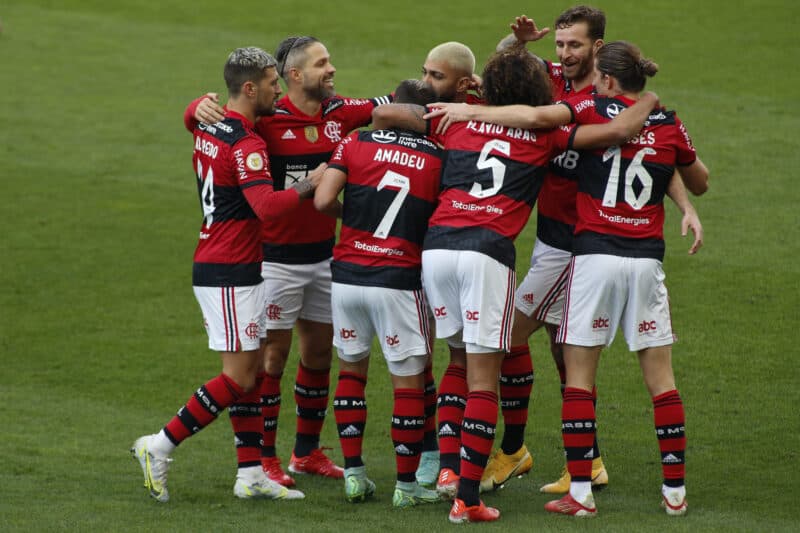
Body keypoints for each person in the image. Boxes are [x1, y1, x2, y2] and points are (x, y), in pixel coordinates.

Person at [373, 46, 658, 524]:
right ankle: (468, 498)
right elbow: (621, 130)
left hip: (437, 250)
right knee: (486, 378)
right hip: (486, 254)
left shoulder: (456, 121)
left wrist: (455, 107)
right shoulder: (547, 135)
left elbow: (383, 112)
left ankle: (447, 471)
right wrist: (649, 98)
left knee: (458, 360)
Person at [478, 7, 703, 494]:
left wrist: (685, 203)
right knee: (565, 351)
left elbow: (658, 159)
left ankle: (515, 449)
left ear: (598, 49)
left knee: (506, 336)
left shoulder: (599, 99)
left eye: (574, 46)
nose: (563, 55)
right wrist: (513, 46)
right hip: (551, 238)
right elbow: (501, 85)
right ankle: (589, 463)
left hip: (576, 244)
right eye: (558, 46)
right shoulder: (557, 77)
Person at [185, 36, 394, 487]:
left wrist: (453, 90)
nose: (332, 70)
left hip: (324, 256)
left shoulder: (341, 113)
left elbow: (397, 102)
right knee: (270, 361)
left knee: (319, 353)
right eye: (322, 64)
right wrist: (194, 108)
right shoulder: (265, 120)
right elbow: (217, 126)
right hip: (273, 261)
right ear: (294, 75)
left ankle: (307, 452)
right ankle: (265, 459)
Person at [131, 47, 311, 503]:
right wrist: (315, 181)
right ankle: (159, 445)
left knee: (248, 374)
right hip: (229, 270)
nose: (279, 89)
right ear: (249, 88)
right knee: (238, 378)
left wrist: (194, 106)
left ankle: (250, 474)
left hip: (227, 263)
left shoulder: (209, 123)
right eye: (273, 82)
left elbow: (192, 117)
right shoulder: (247, 145)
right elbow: (268, 208)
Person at [539, 41, 708, 517]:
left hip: (595, 258)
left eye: (597, 75)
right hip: (646, 261)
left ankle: (580, 494)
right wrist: (683, 191)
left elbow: (543, 122)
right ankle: (675, 494)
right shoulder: (668, 122)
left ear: (610, 81)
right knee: (662, 381)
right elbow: (701, 179)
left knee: (579, 378)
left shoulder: (587, 108)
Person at [314, 79, 445, 508]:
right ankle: (407, 487)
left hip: (347, 275)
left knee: (351, 374)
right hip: (399, 279)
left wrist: (354, 218)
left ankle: (354, 475)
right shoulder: (438, 155)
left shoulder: (356, 142)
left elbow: (322, 200)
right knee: (408, 383)